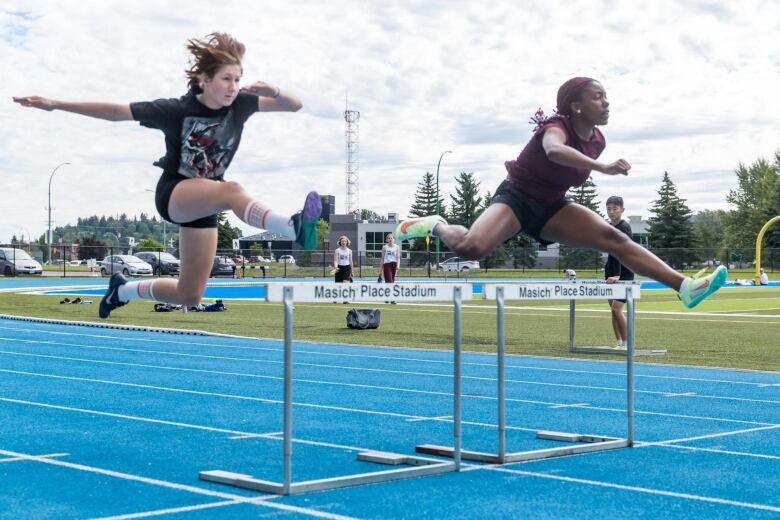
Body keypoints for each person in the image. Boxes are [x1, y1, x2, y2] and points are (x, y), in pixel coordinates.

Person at [14, 32, 322, 319]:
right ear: (204, 79)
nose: (233, 86)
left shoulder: (240, 104)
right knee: (232, 190)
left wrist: (275, 91)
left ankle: (121, 289)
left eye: (238, 79)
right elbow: (116, 112)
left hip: (205, 204)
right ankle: (291, 227)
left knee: (189, 295)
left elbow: (295, 106)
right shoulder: (175, 110)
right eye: (227, 78)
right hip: (175, 193)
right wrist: (56, 104)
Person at [395, 77, 727, 309]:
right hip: (517, 198)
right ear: (576, 106)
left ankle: (684, 287)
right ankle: (436, 223)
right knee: (472, 247)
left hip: (553, 205)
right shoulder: (555, 127)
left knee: (616, 240)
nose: (606, 101)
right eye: (597, 96)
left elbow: (565, 172)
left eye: (606, 95)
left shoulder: (598, 140)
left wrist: (598, 164)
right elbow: (554, 152)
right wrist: (604, 168)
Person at [603, 196, 634, 348]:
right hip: (610, 271)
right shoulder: (608, 227)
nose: (611, 212)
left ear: (622, 210)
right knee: (613, 310)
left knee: (617, 309)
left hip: (624, 274)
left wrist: (618, 275)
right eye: (609, 209)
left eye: (615, 209)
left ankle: (628, 344)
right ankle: (619, 342)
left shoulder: (624, 227)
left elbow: (622, 252)